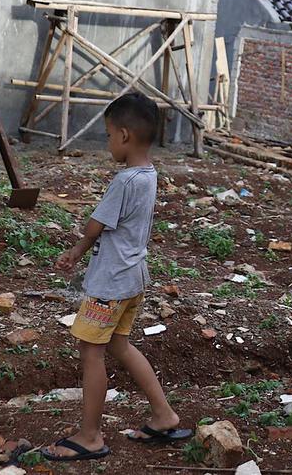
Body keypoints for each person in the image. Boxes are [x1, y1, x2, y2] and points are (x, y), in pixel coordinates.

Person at [41, 92, 191, 462]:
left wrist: (76, 250)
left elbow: (96, 225)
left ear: (124, 135)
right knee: (120, 346)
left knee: (91, 352)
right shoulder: (149, 175)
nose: (108, 143)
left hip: (110, 283)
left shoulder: (125, 181)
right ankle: (163, 415)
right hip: (134, 278)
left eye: (108, 135)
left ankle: (90, 436)